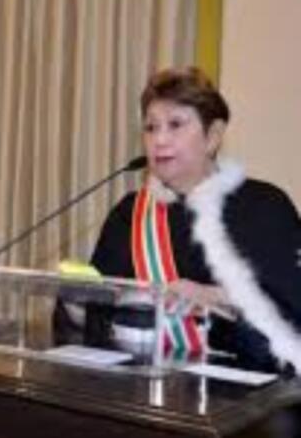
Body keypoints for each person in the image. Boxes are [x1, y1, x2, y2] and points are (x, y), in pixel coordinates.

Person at [75, 67, 301, 373]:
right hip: (143, 387)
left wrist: (216, 298)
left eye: (175, 124)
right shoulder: (129, 214)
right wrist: (74, 302)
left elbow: (292, 316)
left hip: (245, 392)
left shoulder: (266, 207)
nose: (159, 140)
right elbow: (96, 320)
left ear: (213, 136)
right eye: (151, 127)